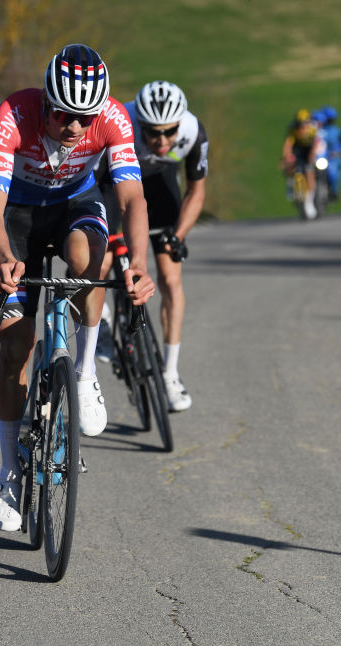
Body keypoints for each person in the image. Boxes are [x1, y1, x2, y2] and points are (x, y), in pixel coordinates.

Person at [0, 44, 155, 532]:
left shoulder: (115, 119)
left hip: (77, 204)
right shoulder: (13, 114)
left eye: (85, 118)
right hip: (17, 215)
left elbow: (132, 197)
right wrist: (4, 258)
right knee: (15, 344)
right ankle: (11, 471)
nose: (76, 129)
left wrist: (138, 263)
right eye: (64, 117)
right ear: (45, 102)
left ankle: (83, 371)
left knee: (86, 260)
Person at [97, 80, 208, 411]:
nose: (161, 140)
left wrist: (179, 235)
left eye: (169, 132)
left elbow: (196, 191)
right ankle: (101, 320)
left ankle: (170, 373)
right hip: (113, 183)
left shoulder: (193, 131)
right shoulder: (120, 122)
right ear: (139, 123)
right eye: (153, 133)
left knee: (171, 280)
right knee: (97, 263)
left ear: (180, 124)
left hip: (160, 185)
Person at [280, 108, 320, 219]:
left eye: (304, 123)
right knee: (288, 164)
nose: (302, 126)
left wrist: (312, 154)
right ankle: (290, 183)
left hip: (309, 149)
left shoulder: (313, 129)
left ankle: (310, 199)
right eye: (300, 124)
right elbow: (288, 145)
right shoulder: (293, 129)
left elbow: (316, 143)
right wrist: (287, 156)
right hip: (298, 150)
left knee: (309, 171)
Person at [319, 106, 341, 201]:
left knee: (333, 173)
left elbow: (340, 144)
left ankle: (334, 191)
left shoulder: (336, 131)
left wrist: (335, 151)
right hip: (321, 156)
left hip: (331, 157)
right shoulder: (319, 130)